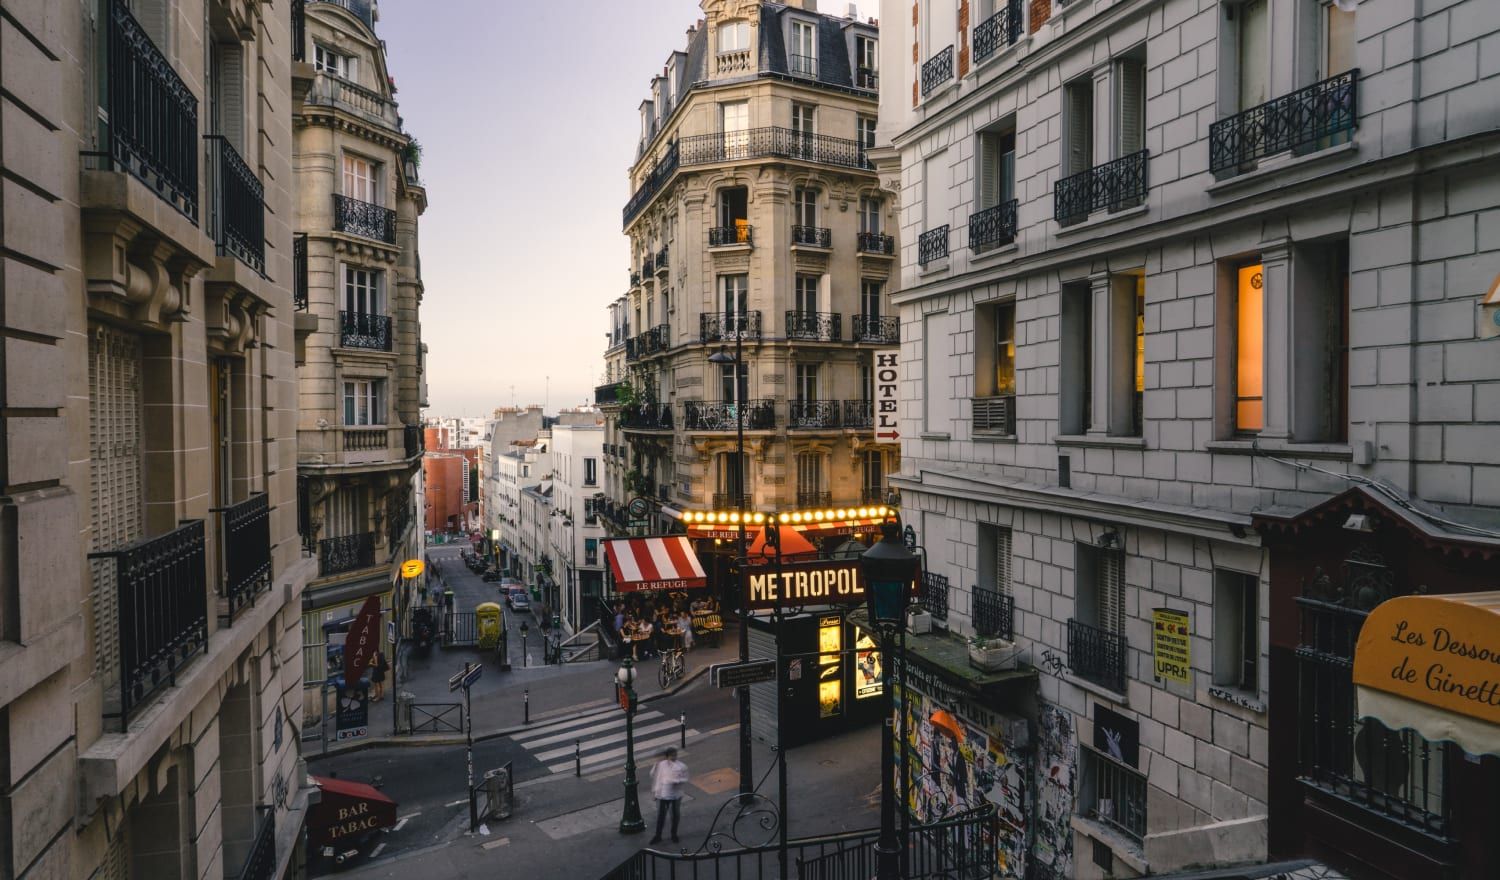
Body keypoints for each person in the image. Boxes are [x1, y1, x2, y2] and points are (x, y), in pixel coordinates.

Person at [649, 747, 689, 844]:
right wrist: (655, 792)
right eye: (672, 756)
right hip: (662, 795)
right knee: (661, 816)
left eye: (675, 755)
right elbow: (655, 776)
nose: (674, 757)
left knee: (675, 816)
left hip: (676, 795)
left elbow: (686, 778)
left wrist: (677, 781)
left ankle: (674, 835)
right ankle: (658, 836)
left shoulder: (681, 766)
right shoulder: (661, 765)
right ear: (667, 757)